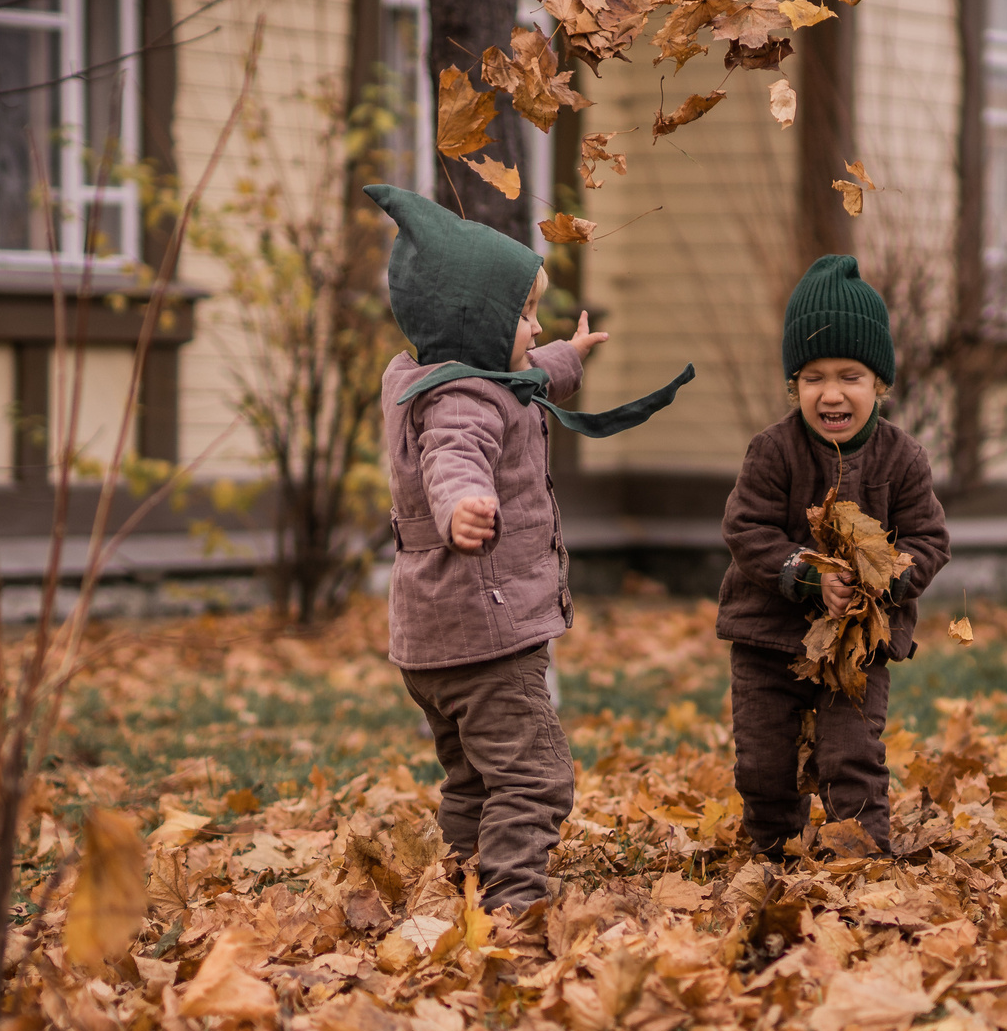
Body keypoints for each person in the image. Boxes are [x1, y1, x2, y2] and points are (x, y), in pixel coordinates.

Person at [367, 185, 692, 914]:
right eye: (522, 314)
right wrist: (462, 508)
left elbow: (528, 374)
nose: (535, 326)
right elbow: (452, 460)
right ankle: (511, 908)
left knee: (475, 779)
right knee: (534, 778)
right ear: (474, 322)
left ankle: (462, 884)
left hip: (430, 643)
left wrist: (569, 356)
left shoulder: (439, 377)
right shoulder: (462, 404)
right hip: (489, 640)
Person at [717, 254, 949, 858]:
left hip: (857, 646)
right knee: (764, 763)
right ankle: (774, 850)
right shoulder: (773, 452)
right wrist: (804, 576)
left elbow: (929, 539)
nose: (832, 393)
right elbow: (746, 527)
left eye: (851, 375)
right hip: (769, 641)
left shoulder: (903, 459)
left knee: (852, 755)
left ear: (881, 385)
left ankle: (860, 857)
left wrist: (886, 579)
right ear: (794, 385)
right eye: (814, 377)